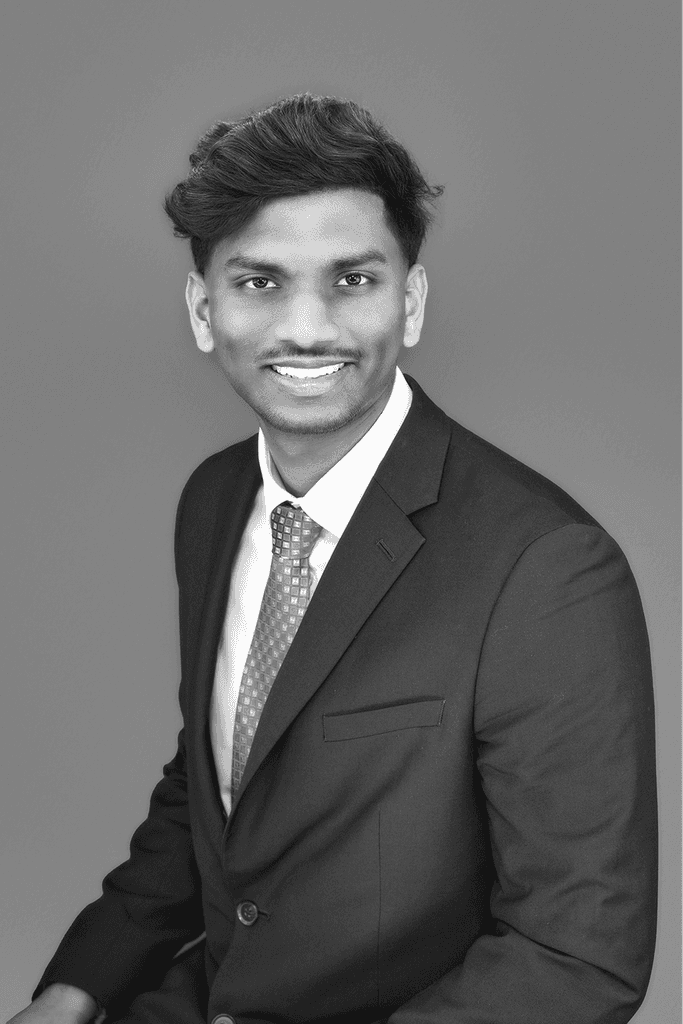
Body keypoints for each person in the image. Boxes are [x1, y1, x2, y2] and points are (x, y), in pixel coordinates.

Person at [14, 94, 657, 1024]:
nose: (307, 328)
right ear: (203, 310)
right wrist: (76, 990)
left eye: (352, 280)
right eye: (259, 281)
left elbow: (577, 956)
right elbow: (219, 788)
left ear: (411, 300)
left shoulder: (546, 567)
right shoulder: (214, 500)